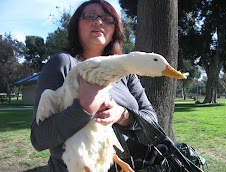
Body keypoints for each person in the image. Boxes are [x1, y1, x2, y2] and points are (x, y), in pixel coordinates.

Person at [31, 0, 164, 171]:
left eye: (107, 19)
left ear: (115, 29)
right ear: (76, 25)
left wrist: (122, 115)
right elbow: (39, 138)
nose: (98, 21)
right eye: (90, 16)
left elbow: (151, 118)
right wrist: (84, 108)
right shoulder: (62, 62)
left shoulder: (126, 72)